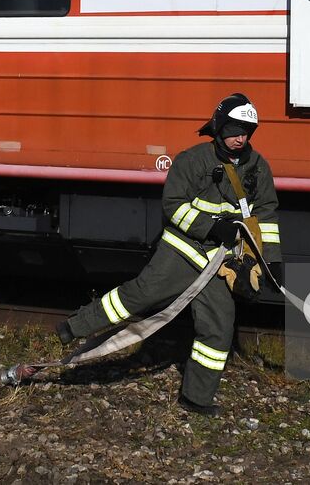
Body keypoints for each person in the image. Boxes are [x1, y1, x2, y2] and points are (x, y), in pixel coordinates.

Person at [57, 93, 283, 417]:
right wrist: (212, 227)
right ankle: (74, 327)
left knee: (219, 327)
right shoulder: (192, 161)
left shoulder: (258, 167)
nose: (240, 138)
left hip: (219, 263)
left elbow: (267, 216)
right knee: (138, 296)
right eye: (234, 130)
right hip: (182, 251)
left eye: (246, 132)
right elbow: (173, 206)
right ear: (219, 128)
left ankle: (196, 398)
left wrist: (271, 260)